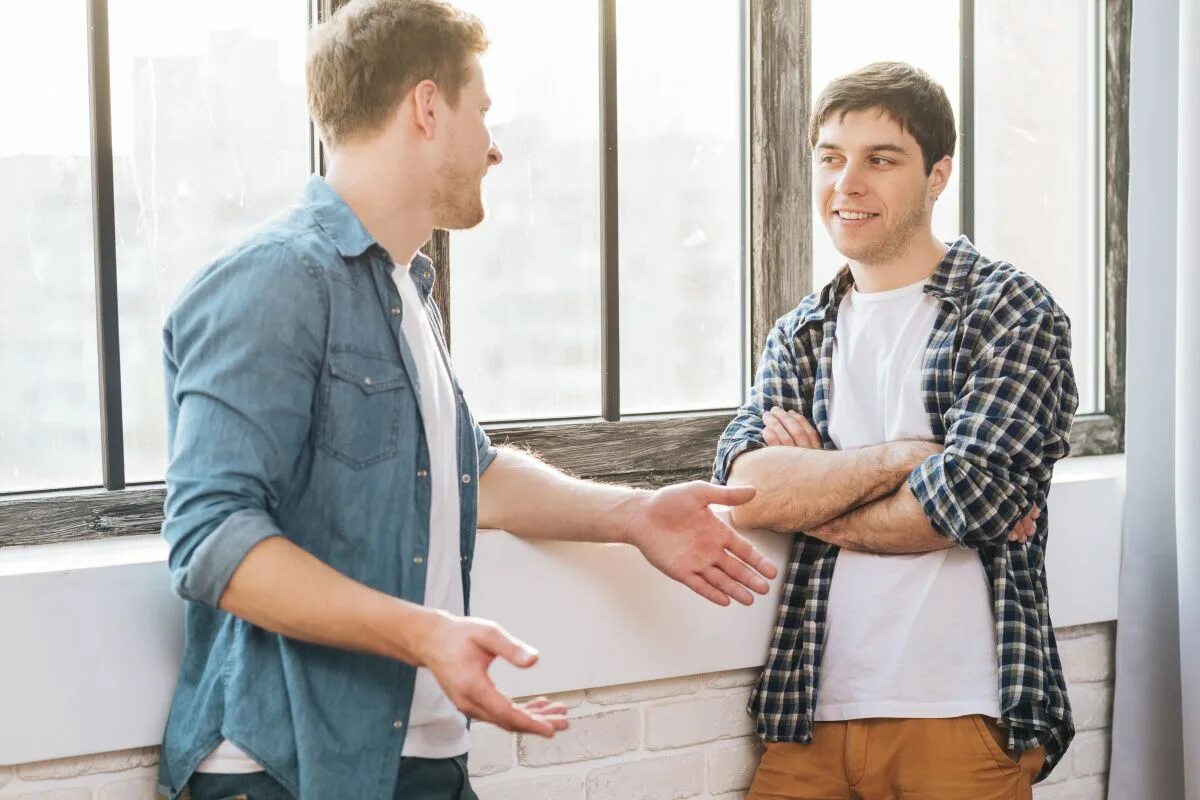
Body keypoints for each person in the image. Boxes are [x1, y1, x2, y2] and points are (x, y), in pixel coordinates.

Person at [155, 2, 777, 797]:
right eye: (482, 111)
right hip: (284, 773)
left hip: (417, 761)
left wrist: (632, 515)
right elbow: (211, 538)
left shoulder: (405, 288)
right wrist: (427, 635)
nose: (494, 144)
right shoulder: (277, 279)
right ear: (426, 106)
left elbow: (467, 473)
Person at [713, 62, 1077, 799]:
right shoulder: (800, 333)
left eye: (880, 160)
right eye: (831, 157)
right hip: (809, 711)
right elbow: (748, 492)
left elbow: (966, 501)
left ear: (938, 174)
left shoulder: (1010, 311)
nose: (848, 183)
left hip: (962, 712)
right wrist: (913, 457)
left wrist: (816, 497)